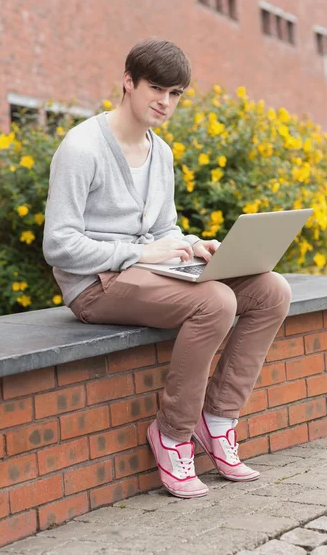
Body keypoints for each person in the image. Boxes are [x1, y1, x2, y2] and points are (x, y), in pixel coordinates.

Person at [43, 38, 292, 499]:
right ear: (127, 82)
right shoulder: (81, 148)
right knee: (216, 302)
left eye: (175, 93)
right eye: (156, 88)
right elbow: (58, 245)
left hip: (147, 274)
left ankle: (217, 419)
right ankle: (173, 434)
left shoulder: (162, 153)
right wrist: (140, 254)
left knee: (271, 290)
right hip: (96, 287)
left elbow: (163, 228)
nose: (165, 102)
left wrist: (193, 245)